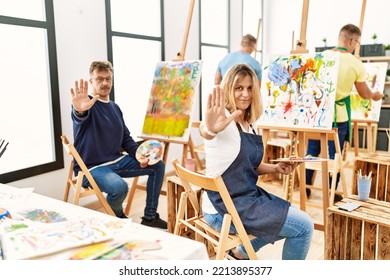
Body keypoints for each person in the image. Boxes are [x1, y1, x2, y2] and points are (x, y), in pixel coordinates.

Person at [200, 64, 314, 260]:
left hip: (245, 199)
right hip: (223, 209)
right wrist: (209, 128)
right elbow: (207, 132)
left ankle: (240, 253)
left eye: (250, 88)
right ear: (229, 89)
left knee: (292, 214)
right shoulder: (224, 119)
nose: (245, 94)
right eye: (238, 88)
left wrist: (276, 168)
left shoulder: (251, 125)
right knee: (304, 226)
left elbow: (249, 167)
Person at [70, 60, 167, 229]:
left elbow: (125, 138)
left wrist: (140, 154)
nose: (105, 82)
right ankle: (118, 217)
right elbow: (79, 115)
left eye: (108, 79)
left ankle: (150, 218)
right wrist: (79, 110)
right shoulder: (86, 105)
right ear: (91, 81)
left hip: (116, 161)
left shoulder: (115, 108)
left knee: (157, 165)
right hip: (91, 168)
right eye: (99, 79)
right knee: (120, 188)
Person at [305, 24, 384, 201]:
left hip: (317, 114)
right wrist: (375, 95)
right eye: (356, 42)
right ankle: (332, 193)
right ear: (351, 40)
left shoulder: (321, 57)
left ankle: (306, 187)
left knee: (312, 151)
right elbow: (364, 94)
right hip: (338, 117)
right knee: (335, 156)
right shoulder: (355, 63)